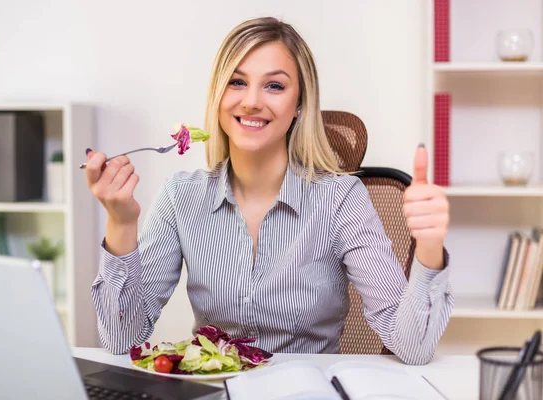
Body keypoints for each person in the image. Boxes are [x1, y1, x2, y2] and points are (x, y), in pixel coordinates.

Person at [85, 16, 453, 365]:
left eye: (274, 85)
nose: (251, 101)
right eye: (237, 81)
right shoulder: (180, 197)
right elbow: (122, 340)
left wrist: (430, 246)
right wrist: (120, 223)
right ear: (218, 95)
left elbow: (413, 348)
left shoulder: (341, 199)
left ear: (299, 105)